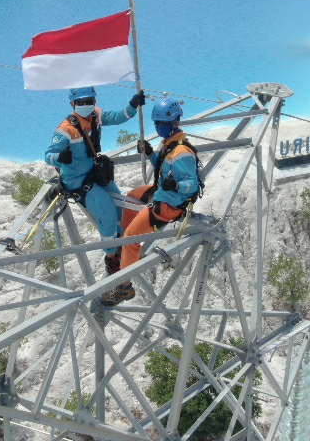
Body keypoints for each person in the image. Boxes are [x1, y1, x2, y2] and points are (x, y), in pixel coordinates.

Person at [100, 97, 201, 307]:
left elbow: (192, 183)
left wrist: (177, 187)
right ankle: (126, 250)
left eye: (162, 124)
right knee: (133, 195)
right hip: (162, 191)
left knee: (130, 236)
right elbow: (162, 166)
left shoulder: (181, 152)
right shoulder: (170, 144)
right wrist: (150, 153)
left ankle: (125, 287)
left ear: (175, 123)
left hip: (170, 204)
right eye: (157, 124)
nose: (158, 127)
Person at [46, 86, 146, 276]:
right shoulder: (65, 130)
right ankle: (111, 257)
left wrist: (133, 105)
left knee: (122, 210)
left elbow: (119, 117)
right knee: (107, 214)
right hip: (79, 182)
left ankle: (123, 246)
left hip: (95, 173)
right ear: (72, 104)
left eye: (89, 102)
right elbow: (48, 155)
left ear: (94, 102)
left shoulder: (96, 116)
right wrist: (60, 158)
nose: (86, 105)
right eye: (81, 102)